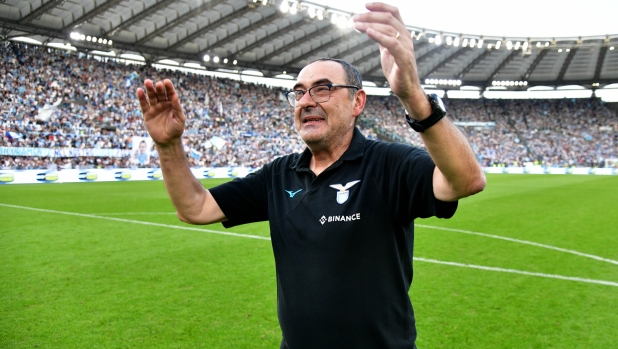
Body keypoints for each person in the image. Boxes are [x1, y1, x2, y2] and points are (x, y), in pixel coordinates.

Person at [136, 3, 486, 348]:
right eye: (299, 92)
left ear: (358, 103)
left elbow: (465, 181)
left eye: (322, 88)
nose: (306, 100)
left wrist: (413, 96)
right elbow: (195, 208)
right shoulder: (279, 174)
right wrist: (168, 146)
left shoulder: (388, 163)